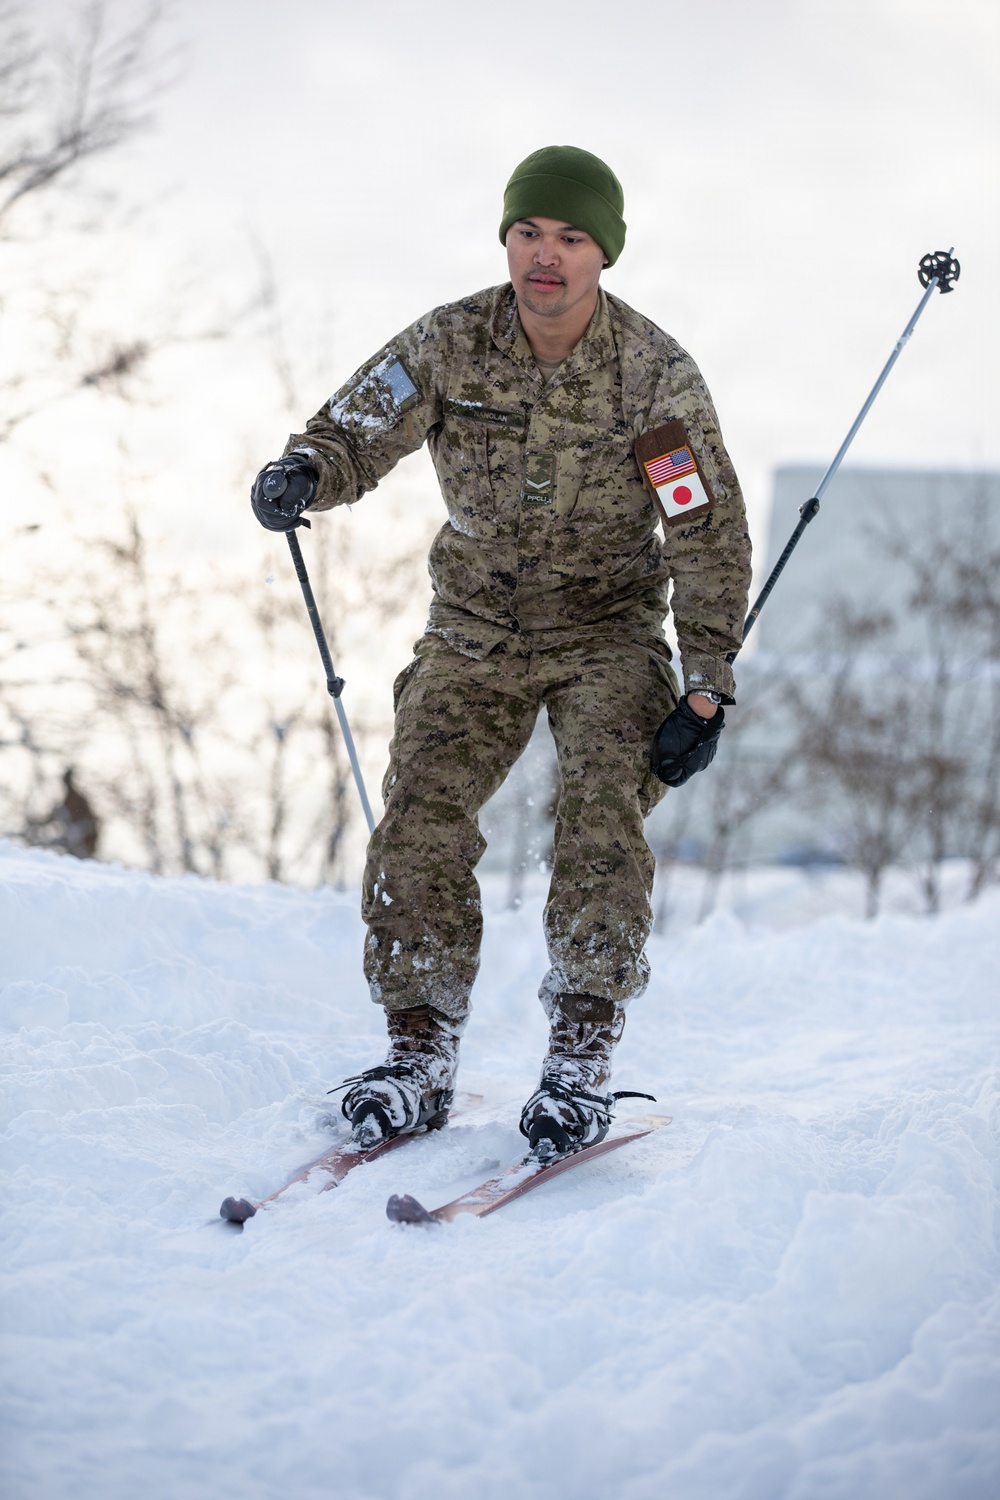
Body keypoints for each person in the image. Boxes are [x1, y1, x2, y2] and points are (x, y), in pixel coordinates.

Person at [251, 146, 751, 1159]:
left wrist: (703, 687)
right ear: (507, 239)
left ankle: (579, 1056)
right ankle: (417, 1051)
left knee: (602, 813)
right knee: (421, 811)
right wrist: (304, 471)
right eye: (529, 232)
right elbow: (356, 427)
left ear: (603, 253)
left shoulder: (652, 378)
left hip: (606, 631)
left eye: (570, 237)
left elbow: (702, 531)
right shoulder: (450, 343)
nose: (546, 256)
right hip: (474, 626)